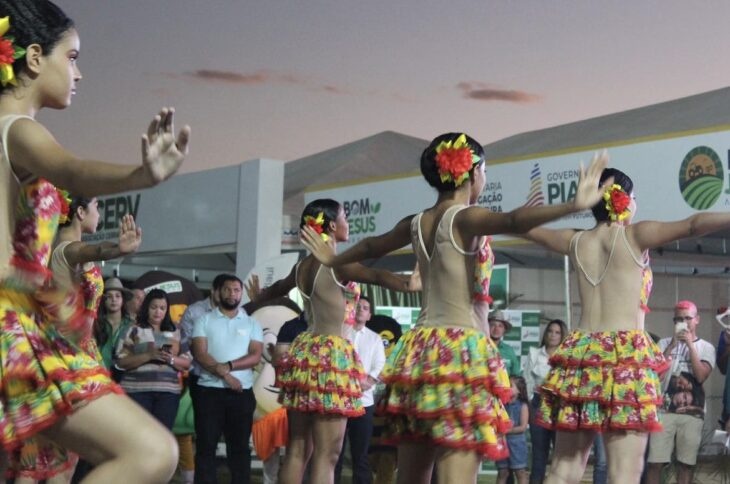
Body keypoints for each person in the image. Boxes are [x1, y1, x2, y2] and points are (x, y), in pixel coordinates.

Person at [301, 133, 610, 484]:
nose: (486, 178)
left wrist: (333, 257)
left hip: (419, 354)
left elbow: (373, 243)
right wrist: (572, 205)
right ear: (472, 171)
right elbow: (513, 221)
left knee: (412, 475)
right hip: (461, 351)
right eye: (486, 169)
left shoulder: (417, 222)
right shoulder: (464, 218)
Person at [0, 1, 190, 481]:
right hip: (10, 327)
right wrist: (139, 175)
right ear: (35, 57)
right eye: (73, 56)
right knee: (151, 452)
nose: (79, 73)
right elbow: (71, 168)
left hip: (24, 317)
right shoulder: (17, 130)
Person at [517, 161, 730, 484]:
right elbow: (692, 224)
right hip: (624, 359)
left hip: (581, 357)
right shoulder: (635, 235)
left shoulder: (575, 241)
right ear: (624, 199)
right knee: (624, 475)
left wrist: (573, 204)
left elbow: (521, 224)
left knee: (562, 472)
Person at [251, 198, 420, 484]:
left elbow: (276, 290)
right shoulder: (338, 264)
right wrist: (408, 283)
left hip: (305, 352)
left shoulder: (302, 267)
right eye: (344, 217)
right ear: (331, 225)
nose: (347, 224)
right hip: (331, 355)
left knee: (297, 449)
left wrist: (260, 296)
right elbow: (377, 275)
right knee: (327, 454)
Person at [9, 199, 141, 483]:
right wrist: (117, 248)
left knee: (50, 456)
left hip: (72, 356)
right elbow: (88, 249)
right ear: (79, 212)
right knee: (46, 458)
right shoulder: (66, 249)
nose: (99, 213)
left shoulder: (63, 252)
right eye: (95, 206)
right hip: (65, 359)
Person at [191, 274, 263, 484]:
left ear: (242, 294)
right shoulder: (204, 320)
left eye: (236, 290)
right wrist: (226, 376)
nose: (232, 294)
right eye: (228, 290)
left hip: (241, 393)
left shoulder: (252, 323)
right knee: (206, 446)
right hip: (208, 392)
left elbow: (255, 355)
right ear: (218, 292)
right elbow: (200, 353)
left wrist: (229, 367)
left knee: (240, 448)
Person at [645, 301, 715, 484]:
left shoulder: (706, 347)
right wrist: (672, 347)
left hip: (693, 413)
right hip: (663, 411)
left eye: (687, 318)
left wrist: (690, 346)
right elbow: (655, 376)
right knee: (655, 462)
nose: (683, 322)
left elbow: (700, 377)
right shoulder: (664, 343)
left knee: (686, 464)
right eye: (678, 319)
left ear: (697, 320)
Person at [115, 289, 191, 429]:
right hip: (136, 391)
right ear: (146, 307)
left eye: (162, 308)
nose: (158, 312)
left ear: (167, 309)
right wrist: (148, 355)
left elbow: (188, 363)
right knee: (137, 435)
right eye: (154, 307)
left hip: (167, 393)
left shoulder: (177, 329)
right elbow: (120, 361)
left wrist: (171, 359)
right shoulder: (133, 329)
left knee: (163, 435)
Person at [335, 295, 386, 484]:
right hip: (339, 400)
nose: (360, 309)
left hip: (364, 402)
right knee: (335, 452)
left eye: (365, 307)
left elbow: (380, 363)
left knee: (361, 454)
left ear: (369, 315)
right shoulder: (340, 333)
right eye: (357, 306)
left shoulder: (375, 338)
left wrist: (370, 381)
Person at [523, 319, 567, 484]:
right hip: (538, 405)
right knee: (539, 455)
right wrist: (529, 406)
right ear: (545, 333)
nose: (553, 335)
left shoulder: (566, 356)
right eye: (550, 331)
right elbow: (527, 381)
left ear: (562, 335)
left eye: (557, 332)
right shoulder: (534, 353)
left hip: (560, 407)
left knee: (559, 455)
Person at [94, 277, 135, 380]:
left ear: (123, 300)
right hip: (99, 377)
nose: (114, 300)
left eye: (118, 296)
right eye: (109, 296)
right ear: (103, 300)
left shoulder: (131, 325)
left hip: (125, 378)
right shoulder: (96, 324)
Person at [496, 376, 529, 484]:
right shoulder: (501, 405)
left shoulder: (523, 406)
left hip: (517, 444)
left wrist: (506, 431)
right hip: (503, 442)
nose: (507, 387)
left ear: (519, 390)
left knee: (520, 472)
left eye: (510, 385)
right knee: (502, 472)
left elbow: (523, 427)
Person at [488, 311, 522, 377]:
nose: (496, 329)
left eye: (500, 326)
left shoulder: (509, 350)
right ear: (486, 327)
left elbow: (516, 376)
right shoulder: (480, 347)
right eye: (492, 325)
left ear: (504, 330)